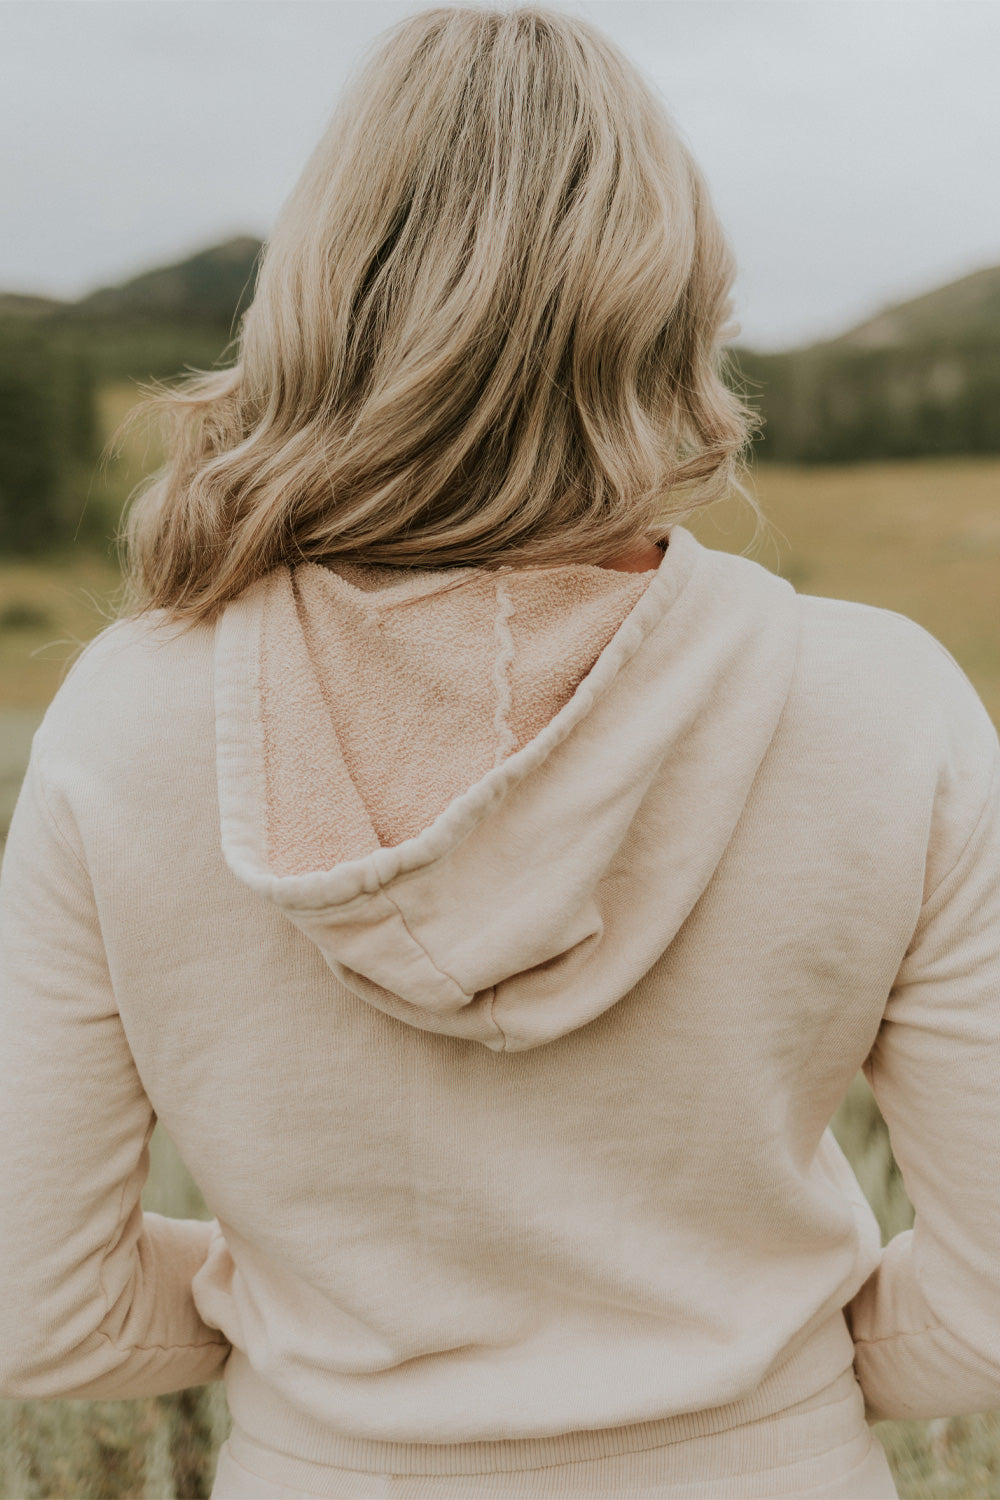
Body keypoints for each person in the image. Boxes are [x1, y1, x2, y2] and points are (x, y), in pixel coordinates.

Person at [1, 7, 998, 1498]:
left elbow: (40, 1306)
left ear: (324, 292)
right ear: (678, 303)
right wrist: (759, 1362)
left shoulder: (128, 715)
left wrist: (301, 1322)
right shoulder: (882, 701)